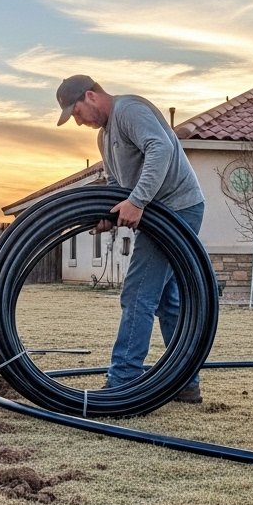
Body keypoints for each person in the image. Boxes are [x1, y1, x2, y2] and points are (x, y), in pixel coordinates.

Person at [55, 75, 207, 403]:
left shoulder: (129, 110)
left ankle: (123, 379)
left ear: (91, 96)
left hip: (178, 209)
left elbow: (161, 148)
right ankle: (186, 381)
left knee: (137, 294)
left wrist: (137, 201)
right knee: (168, 301)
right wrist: (107, 214)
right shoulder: (104, 137)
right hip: (159, 214)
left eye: (76, 112)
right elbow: (117, 183)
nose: (78, 121)